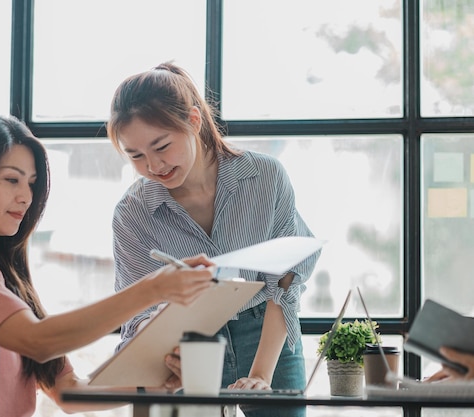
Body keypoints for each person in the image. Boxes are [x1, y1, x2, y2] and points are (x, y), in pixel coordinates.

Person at [0, 110, 217, 417]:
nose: (26, 196)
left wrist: (153, 385)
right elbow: (38, 341)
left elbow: (69, 391)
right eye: (12, 180)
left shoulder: (5, 281)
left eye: (32, 184)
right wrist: (153, 288)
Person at [106, 62, 320, 417]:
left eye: (161, 146)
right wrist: (166, 350)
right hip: (187, 343)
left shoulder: (264, 177)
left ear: (193, 120)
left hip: (266, 332)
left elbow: (284, 283)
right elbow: (137, 311)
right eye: (136, 156)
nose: (153, 165)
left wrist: (261, 375)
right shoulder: (132, 213)